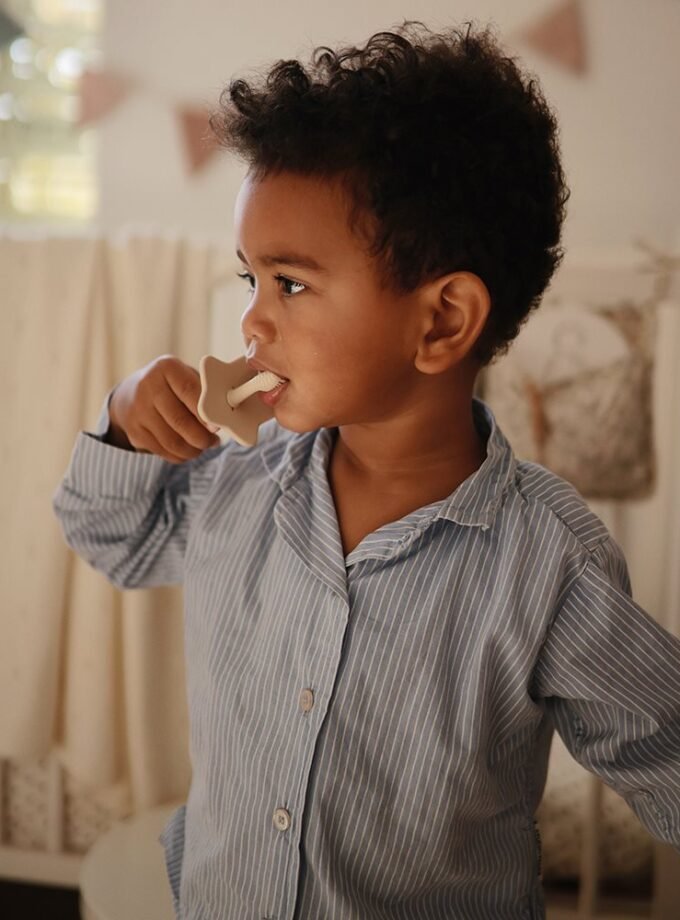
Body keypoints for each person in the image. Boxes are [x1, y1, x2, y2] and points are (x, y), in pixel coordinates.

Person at [52, 20, 680, 920]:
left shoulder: (550, 568)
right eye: (251, 281)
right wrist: (123, 418)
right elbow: (109, 535)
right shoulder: (238, 478)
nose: (252, 326)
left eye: (291, 284)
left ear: (441, 323)